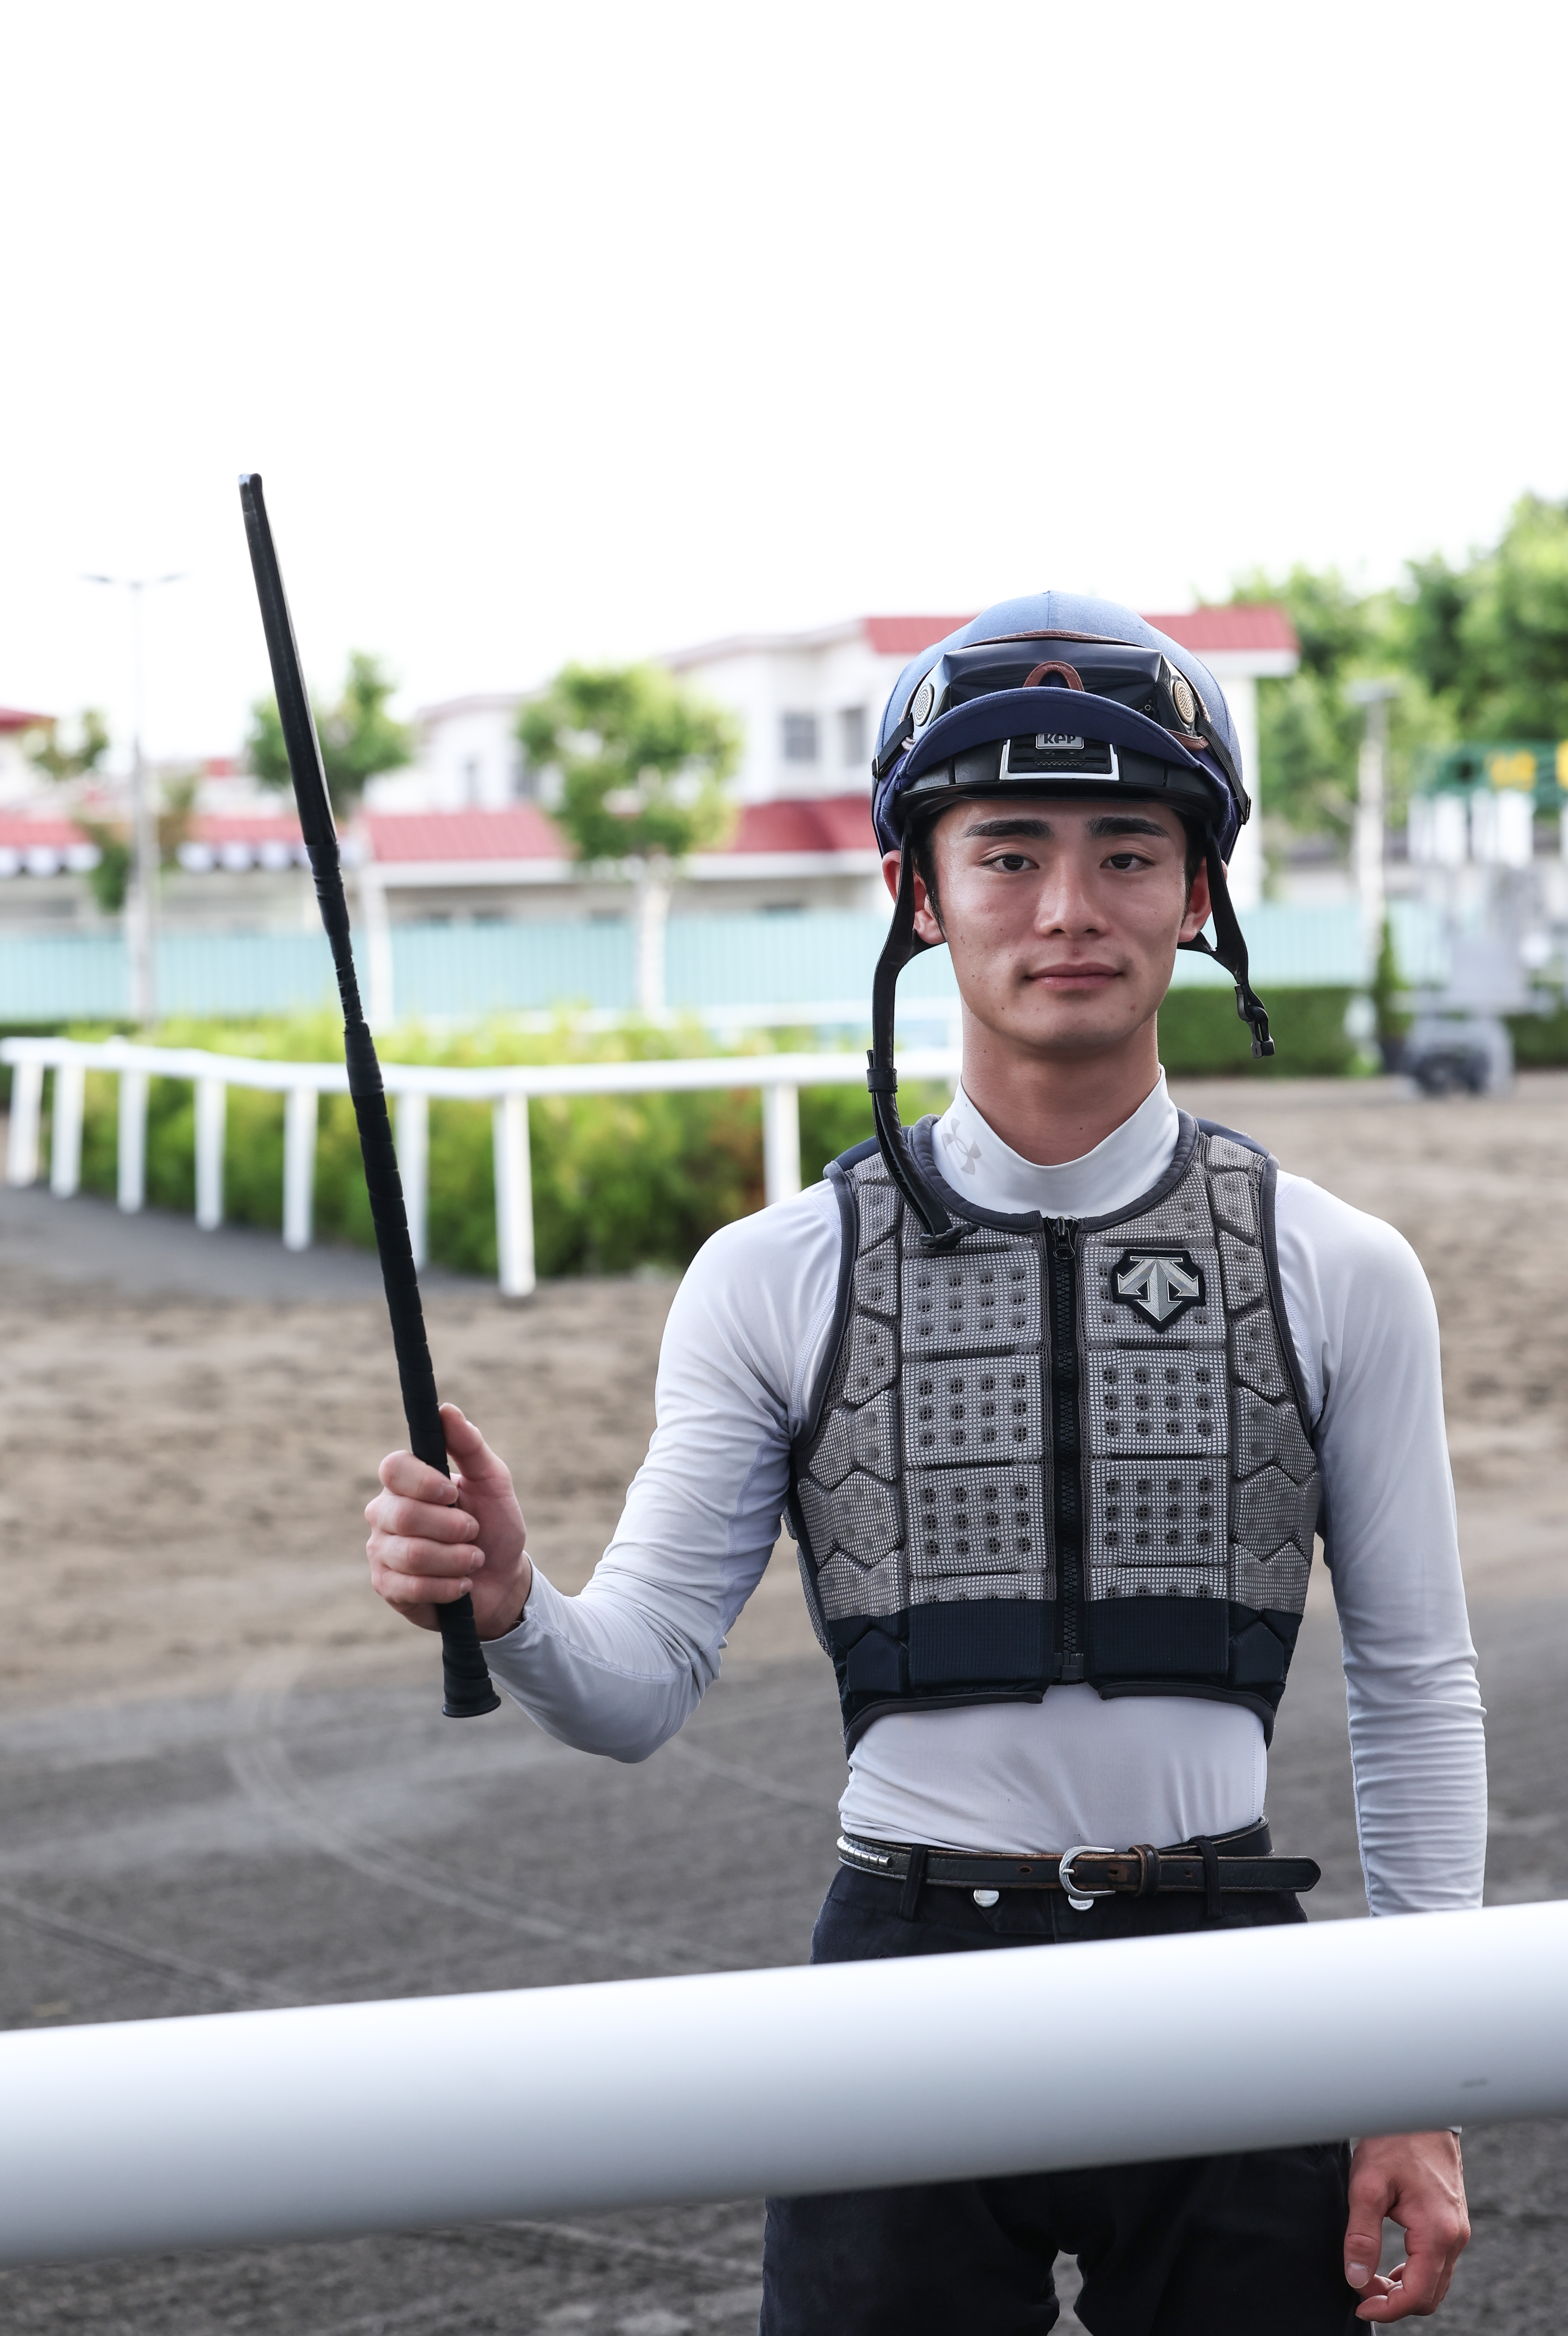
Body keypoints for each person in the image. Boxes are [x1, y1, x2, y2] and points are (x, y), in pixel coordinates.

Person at [365, 593, 1484, 2333]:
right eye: (1007, 852)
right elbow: (635, 1689)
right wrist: (512, 1606)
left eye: (1128, 852)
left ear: (1200, 896)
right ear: (916, 887)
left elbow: (1419, 1684)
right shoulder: (772, 1273)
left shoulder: (1341, 1267)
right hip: (899, 1975)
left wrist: (1419, 2074)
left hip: (1233, 1981)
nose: (1065, 909)